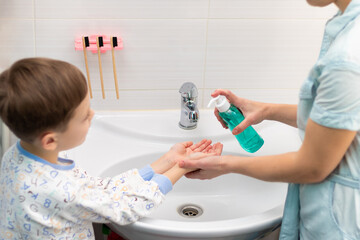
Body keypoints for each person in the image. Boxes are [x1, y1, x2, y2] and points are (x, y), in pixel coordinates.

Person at [180, 0, 360, 239]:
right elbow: (336, 121)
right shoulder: (348, 27)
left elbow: (313, 166)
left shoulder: (347, 57)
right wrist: (265, 110)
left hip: (338, 220)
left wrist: (224, 165)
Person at [0, 58, 223, 239]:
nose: (93, 115)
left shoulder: (18, 155)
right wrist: (182, 167)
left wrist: (165, 162)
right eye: (84, 115)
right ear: (50, 140)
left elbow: (97, 189)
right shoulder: (60, 189)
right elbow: (127, 209)